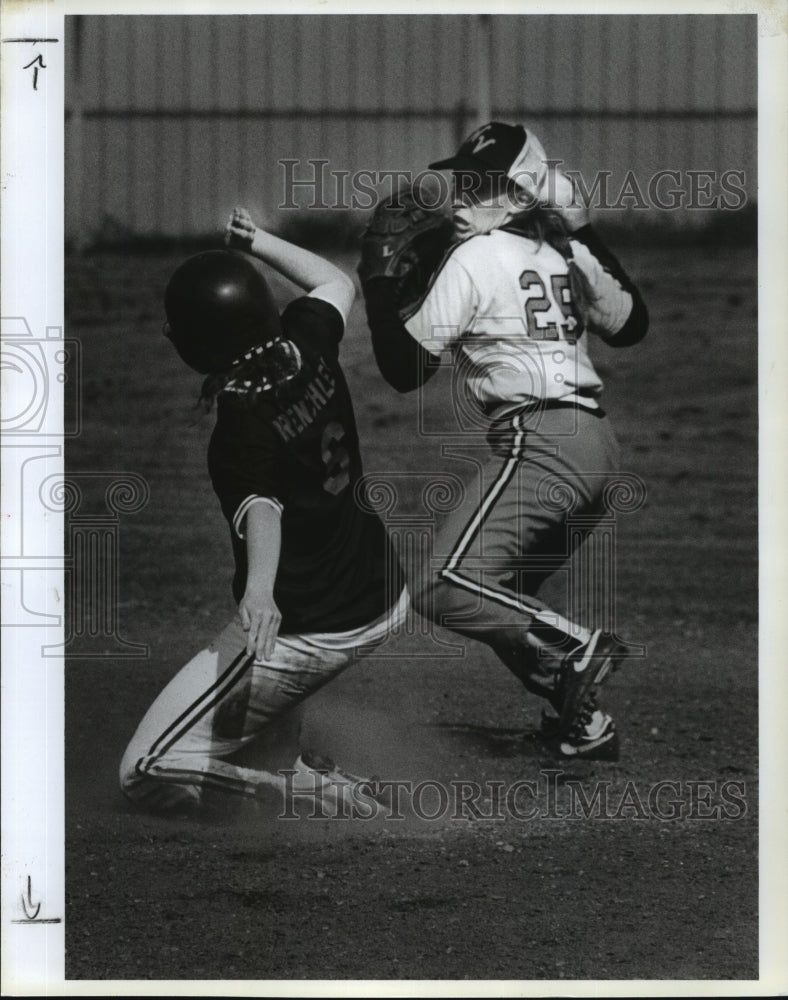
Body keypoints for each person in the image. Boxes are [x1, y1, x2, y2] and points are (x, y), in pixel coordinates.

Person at [360, 121, 649, 760]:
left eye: (482, 186)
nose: (461, 198)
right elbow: (632, 324)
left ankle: (580, 648)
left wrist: (378, 284)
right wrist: (581, 229)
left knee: (441, 585)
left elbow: (405, 371)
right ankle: (585, 724)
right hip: (597, 450)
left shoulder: (477, 256)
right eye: (462, 182)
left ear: (520, 196)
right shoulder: (564, 255)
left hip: (543, 444)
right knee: (500, 602)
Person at [120, 209, 407, 815]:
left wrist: (258, 592)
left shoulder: (241, 424)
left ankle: (303, 794)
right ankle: (286, 767)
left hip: (310, 623)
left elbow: (261, 509)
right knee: (250, 746)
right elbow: (336, 283)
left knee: (146, 770)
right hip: (378, 586)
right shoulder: (306, 339)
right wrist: (258, 242)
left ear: (198, 345)